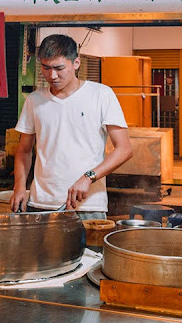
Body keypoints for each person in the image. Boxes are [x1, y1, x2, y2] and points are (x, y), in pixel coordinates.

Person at [10, 34, 132, 219]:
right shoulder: (34, 101)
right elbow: (24, 151)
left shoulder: (101, 95)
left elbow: (124, 149)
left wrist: (88, 177)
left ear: (76, 63)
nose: (52, 75)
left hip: (86, 205)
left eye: (59, 68)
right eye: (46, 68)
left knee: (89, 250)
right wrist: (19, 187)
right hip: (40, 203)